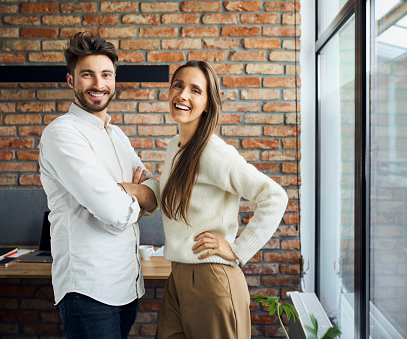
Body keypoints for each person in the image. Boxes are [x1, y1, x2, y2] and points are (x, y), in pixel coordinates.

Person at [155, 60, 288, 339]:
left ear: (207, 103)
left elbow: (274, 196)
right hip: (178, 276)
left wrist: (239, 250)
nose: (183, 95)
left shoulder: (214, 152)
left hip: (212, 278)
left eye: (195, 90)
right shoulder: (174, 148)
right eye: (178, 86)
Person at [39, 32, 159, 339]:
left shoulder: (117, 135)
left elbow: (155, 192)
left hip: (127, 285)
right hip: (88, 290)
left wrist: (132, 190)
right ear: (71, 80)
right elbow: (114, 212)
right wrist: (136, 198)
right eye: (87, 74)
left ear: (114, 79)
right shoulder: (62, 134)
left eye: (106, 74)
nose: (98, 84)